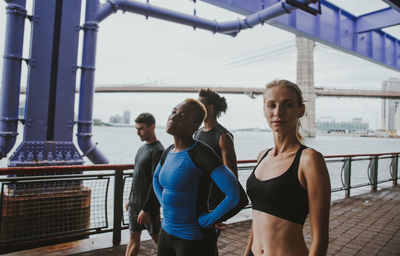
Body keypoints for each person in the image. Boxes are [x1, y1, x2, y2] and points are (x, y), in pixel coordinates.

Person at [244, 79, 331, 256]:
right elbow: (258, 217)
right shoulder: (262, 156)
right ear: (264, 110)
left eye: (288, 105)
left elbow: (320, 238)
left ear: (301, 110)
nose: (278, 112)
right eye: (271, 105)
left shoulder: (309, 159)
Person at [153, 98, 240, 256]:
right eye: (174, 112)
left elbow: (234, 194)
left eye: (183, 116)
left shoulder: (202, 154)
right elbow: (155, 178)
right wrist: (163, 204)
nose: (173, 117)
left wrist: (209, 219)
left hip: (193, 239)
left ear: (195, 125)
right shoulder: (168, 151)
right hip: (166, 233)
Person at [194, 88, 248, 255]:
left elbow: (232, 181)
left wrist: (219, 215)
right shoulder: (196, 133)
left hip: (212, 206)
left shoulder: (223, 136)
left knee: (206, 248)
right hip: (197, 202)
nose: (196, 107)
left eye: (200, 104)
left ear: (210, 108)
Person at [125, 113, 164, 256]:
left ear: (152, 127)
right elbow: (137, 177)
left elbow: (156, 182)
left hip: (149, 208)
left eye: (141, 129)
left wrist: (146, 209)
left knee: (158, 241)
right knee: (133, 239)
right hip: (135, 204)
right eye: (136, 129)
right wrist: (130, 198)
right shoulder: (141, 149)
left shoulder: (159, 151)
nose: (138, 133)